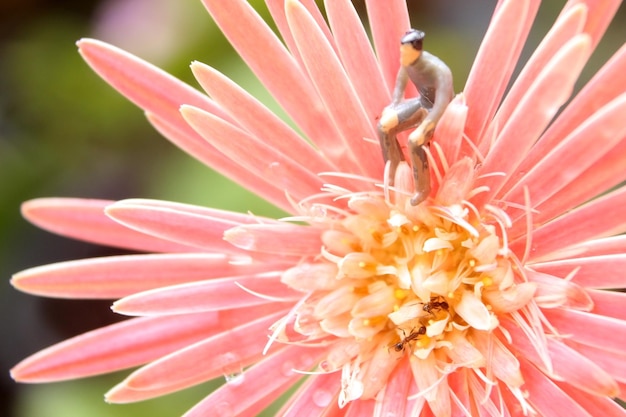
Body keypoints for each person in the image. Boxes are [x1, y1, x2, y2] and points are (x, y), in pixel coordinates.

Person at [377, 29, 454, 206]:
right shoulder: (407, 63)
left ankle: (422, 189)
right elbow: (399, 87)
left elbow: (442, 103)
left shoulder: (440, 71)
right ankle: (395, 174)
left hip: (440, 112)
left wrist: (427, 126)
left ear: (416, 50)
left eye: (405, 51)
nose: (402, 55)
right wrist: (393, 106)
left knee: (414, 140)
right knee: (384, 126)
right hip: (422, 103)